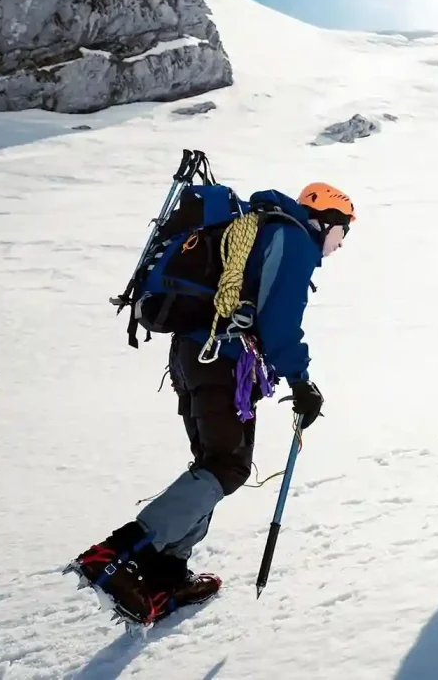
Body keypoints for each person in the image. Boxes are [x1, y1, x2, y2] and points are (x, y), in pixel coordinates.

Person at [68, 183, 354, 625]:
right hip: (219, 359)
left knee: (215, 464)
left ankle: (166, 574)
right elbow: (279, 320)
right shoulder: (294, 238)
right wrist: (301, 381)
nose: (341, 244)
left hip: (196, 356)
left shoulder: (264, 228)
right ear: (326, 220)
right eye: (343, 231)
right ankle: (118, 553)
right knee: (226, 465)